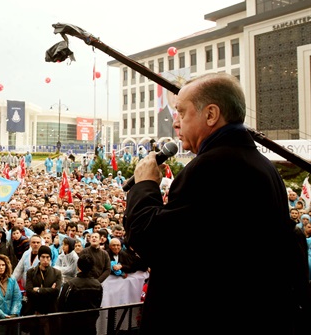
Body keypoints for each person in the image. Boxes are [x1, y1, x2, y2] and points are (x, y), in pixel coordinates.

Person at [124, 73, 311, 334]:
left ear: (210, 114)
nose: (176, 123)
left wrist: (145, 186)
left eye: (182, 112)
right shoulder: (261, 166)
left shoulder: (213, 167)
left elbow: (151, 239)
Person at [57, 253, 104, 335]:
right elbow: (98, 304)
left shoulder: (71, 284)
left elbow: (61, 304)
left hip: (72, 326)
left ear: (78, 267)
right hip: (90, 325)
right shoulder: (98, 284)